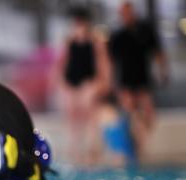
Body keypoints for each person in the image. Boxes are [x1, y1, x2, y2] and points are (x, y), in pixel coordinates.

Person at [108, 1, 169, 160]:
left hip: (143, 81)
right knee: (131, 115)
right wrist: (113, 85)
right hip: (125, 83)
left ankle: (139, 145)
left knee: (148, 116)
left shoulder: (145, 31)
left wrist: (163, 72)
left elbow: (158, 53)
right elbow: (110, 62)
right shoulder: (117, 35)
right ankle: (134, 149)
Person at [55, 6, 111, 165]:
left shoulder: (96, 41)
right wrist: (61, 82)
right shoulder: (70, 41)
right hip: (72, 82)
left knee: (90, 114)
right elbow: (62, 63)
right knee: (73, 117)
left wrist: (104, 82)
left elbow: (103, 63)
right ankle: (75, 151)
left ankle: (92, 150)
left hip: (89, 81)